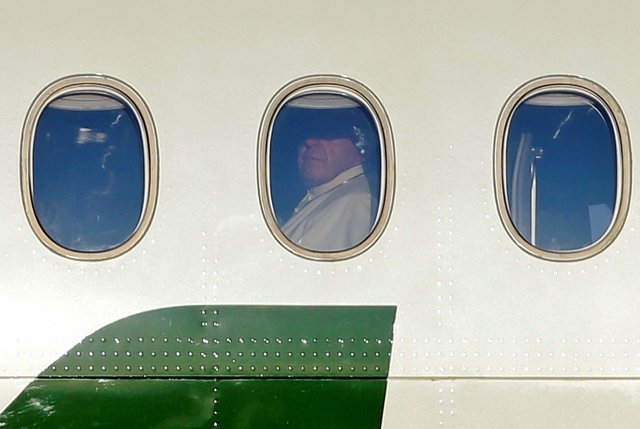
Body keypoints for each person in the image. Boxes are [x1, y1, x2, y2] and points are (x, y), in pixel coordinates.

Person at [279, 94, 377, 252]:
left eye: (329, 133)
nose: (310, 142)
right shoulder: (327, 195)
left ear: (362, 147)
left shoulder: (354, 202)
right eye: (305, 133)